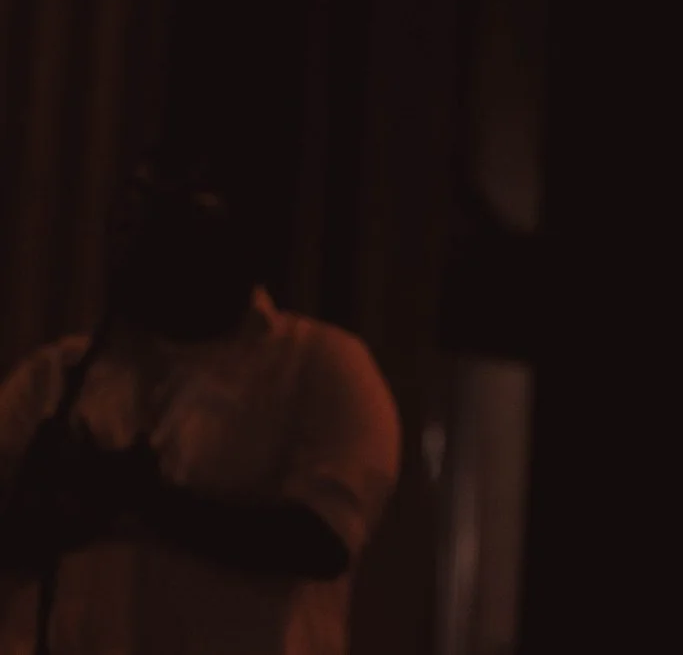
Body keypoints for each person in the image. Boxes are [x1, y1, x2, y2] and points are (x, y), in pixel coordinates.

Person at [0, 150, 401, 655]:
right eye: (126, 229)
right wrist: (44, 504)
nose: (139, 251)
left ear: (241, 243)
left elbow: (321, 540)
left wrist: (140, 499)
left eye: (172, 230)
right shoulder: (54, 376)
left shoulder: (321, 365)